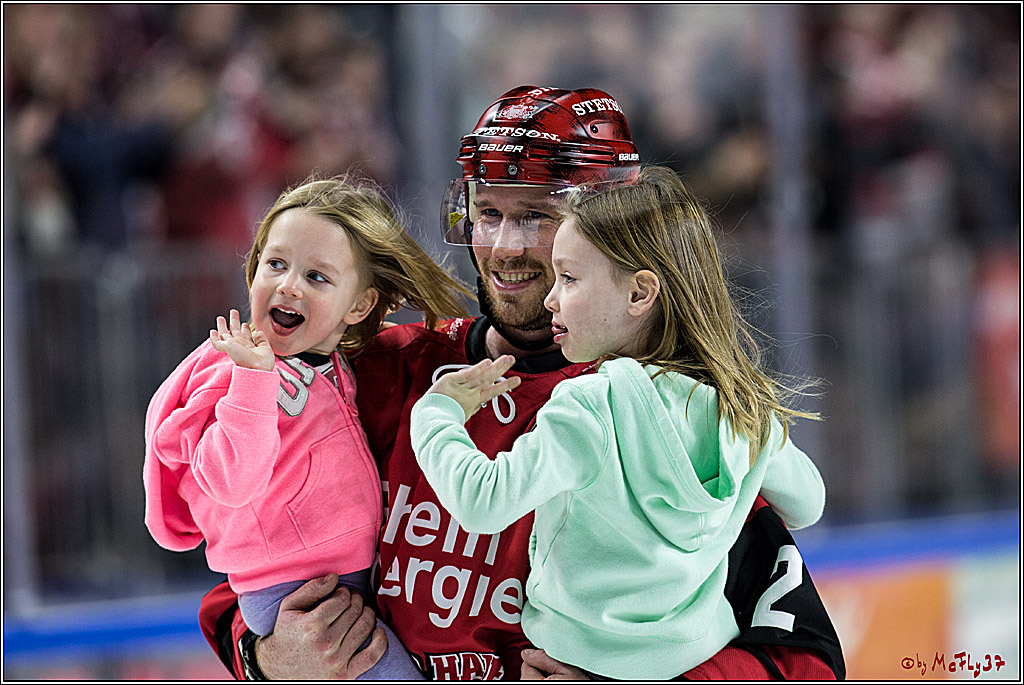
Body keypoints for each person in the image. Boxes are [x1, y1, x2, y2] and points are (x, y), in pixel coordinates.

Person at [198, 86, 845, 680]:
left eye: (537, 215)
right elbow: (249, 559)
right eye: (488, 212)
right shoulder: (378, 372)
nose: (505, 246)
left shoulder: (661, 409)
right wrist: (266, 656)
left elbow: (807, 658)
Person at [411, 165, 826, 679]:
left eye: (569, 279)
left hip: (574, 654)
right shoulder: (742, 407)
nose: (551, 298)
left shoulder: (589, 404)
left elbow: (483, 501)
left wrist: (437, 414)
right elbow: (808, 503)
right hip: (690, 655)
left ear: (638, 294)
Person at [144, 174, 472, 680]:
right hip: (293, 592)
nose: (288, 285)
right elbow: (228, 482)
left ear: (359, 305)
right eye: (275, 264)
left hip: (342, 576)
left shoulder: (328, 360)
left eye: (317, 276)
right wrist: (252, 381)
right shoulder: (232, 369)